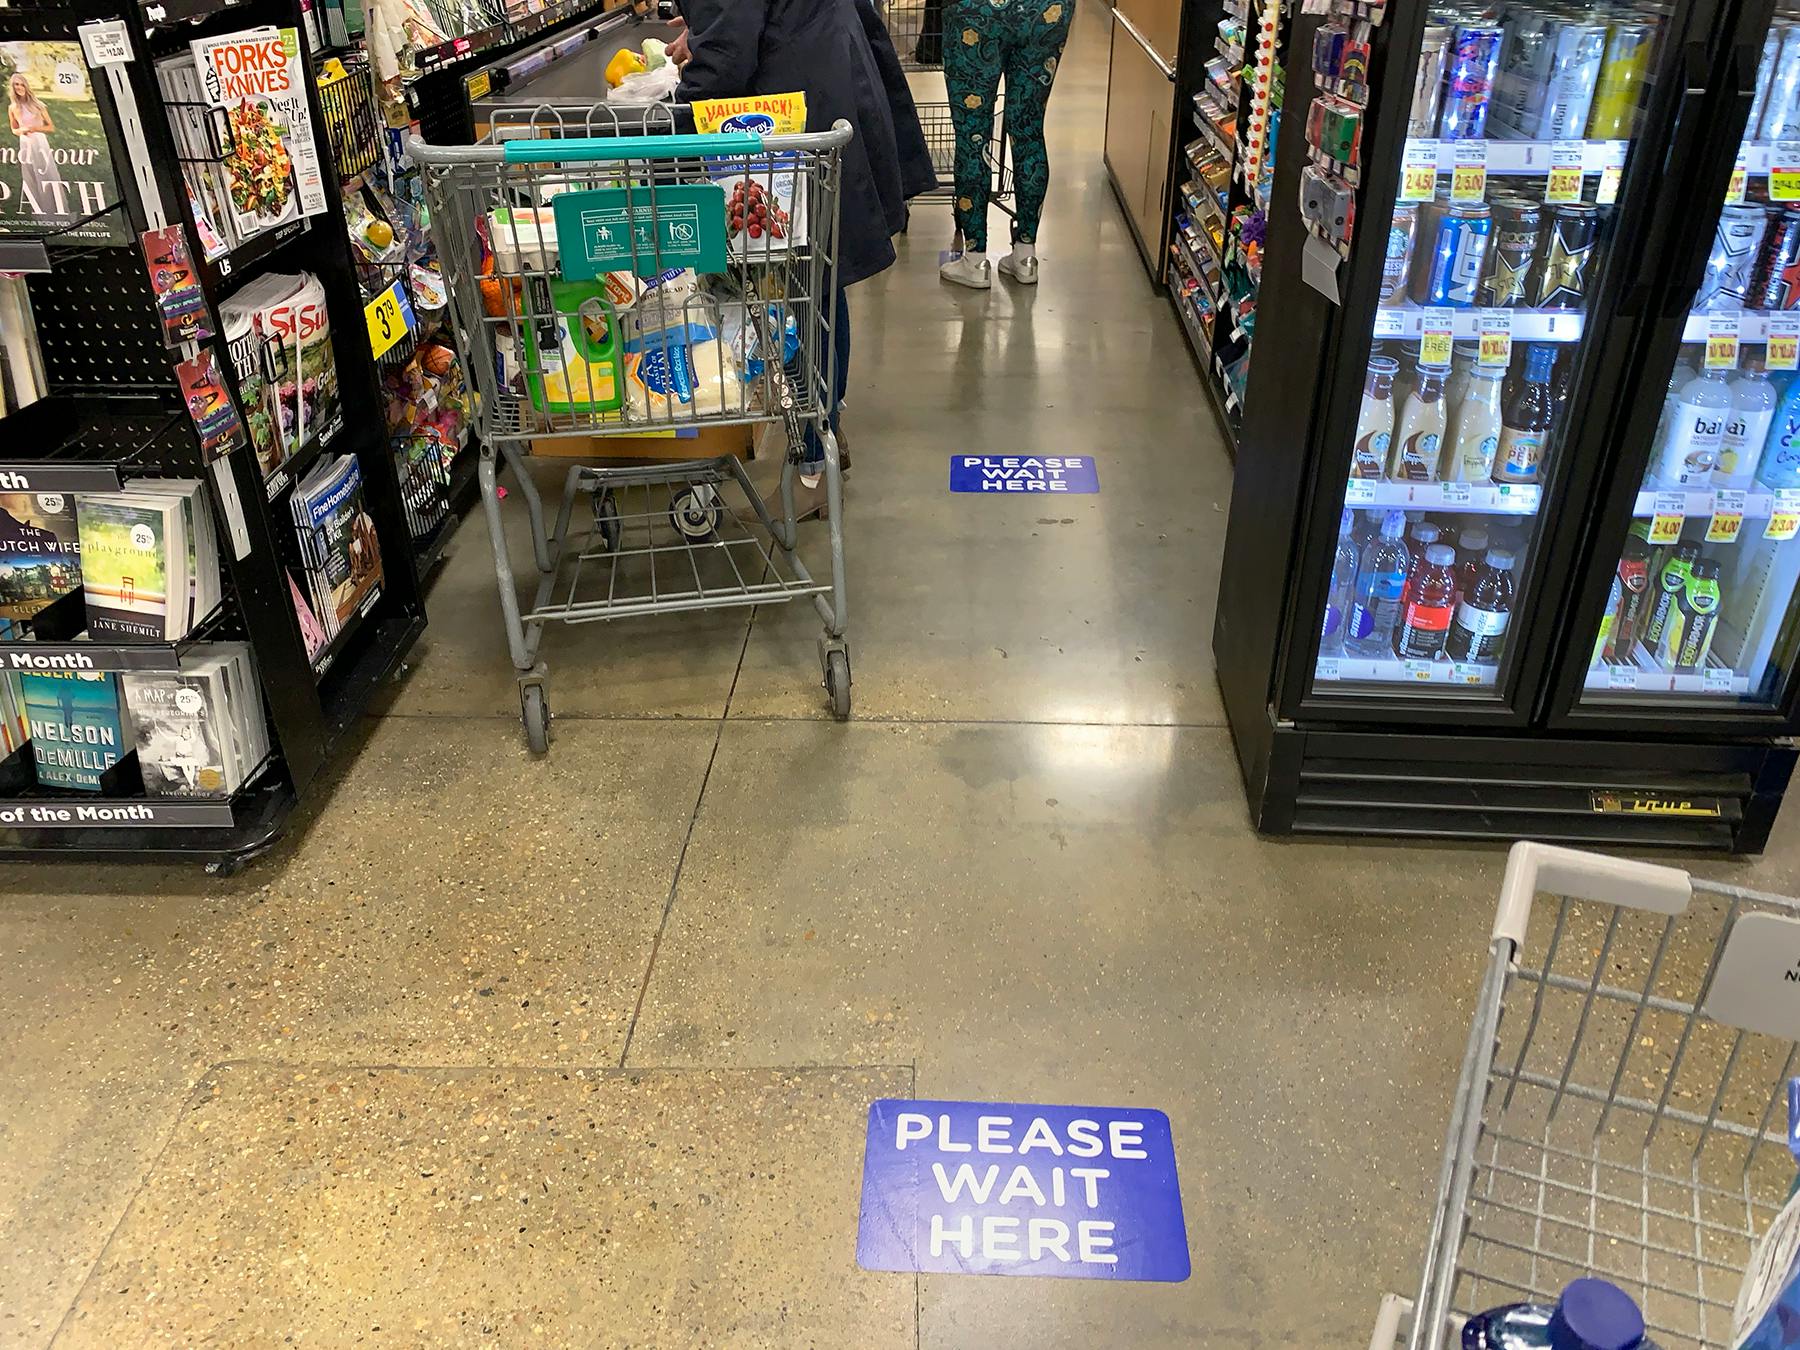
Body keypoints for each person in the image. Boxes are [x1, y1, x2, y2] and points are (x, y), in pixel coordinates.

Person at [674, 0, 934, 514]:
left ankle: (814, 467)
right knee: (817, 284)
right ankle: (825, 436)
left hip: (796, 105)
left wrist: (671, 122)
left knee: (800, 293)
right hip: (819, 77)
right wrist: (708, 29)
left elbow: (729, 53)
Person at [937, 0, 1074, 289]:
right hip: (1046, 10)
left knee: (973, 136)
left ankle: (975, 261)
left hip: (972, 11)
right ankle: (1025, 255)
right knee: (1029, 130)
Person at [8, 72, 66, 222]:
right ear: (13, 87)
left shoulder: (38, 105)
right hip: (25, 143)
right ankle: (39, 210)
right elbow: (14, 129)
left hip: (39, 142)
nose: (19, 87)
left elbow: (51, 127)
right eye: (16, 85)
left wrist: (34, 128)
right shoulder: (12, 107)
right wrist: (21, 131)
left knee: (46, 174)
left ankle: (53, 210)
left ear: (26, 86)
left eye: (22, 84)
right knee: (30, 175)